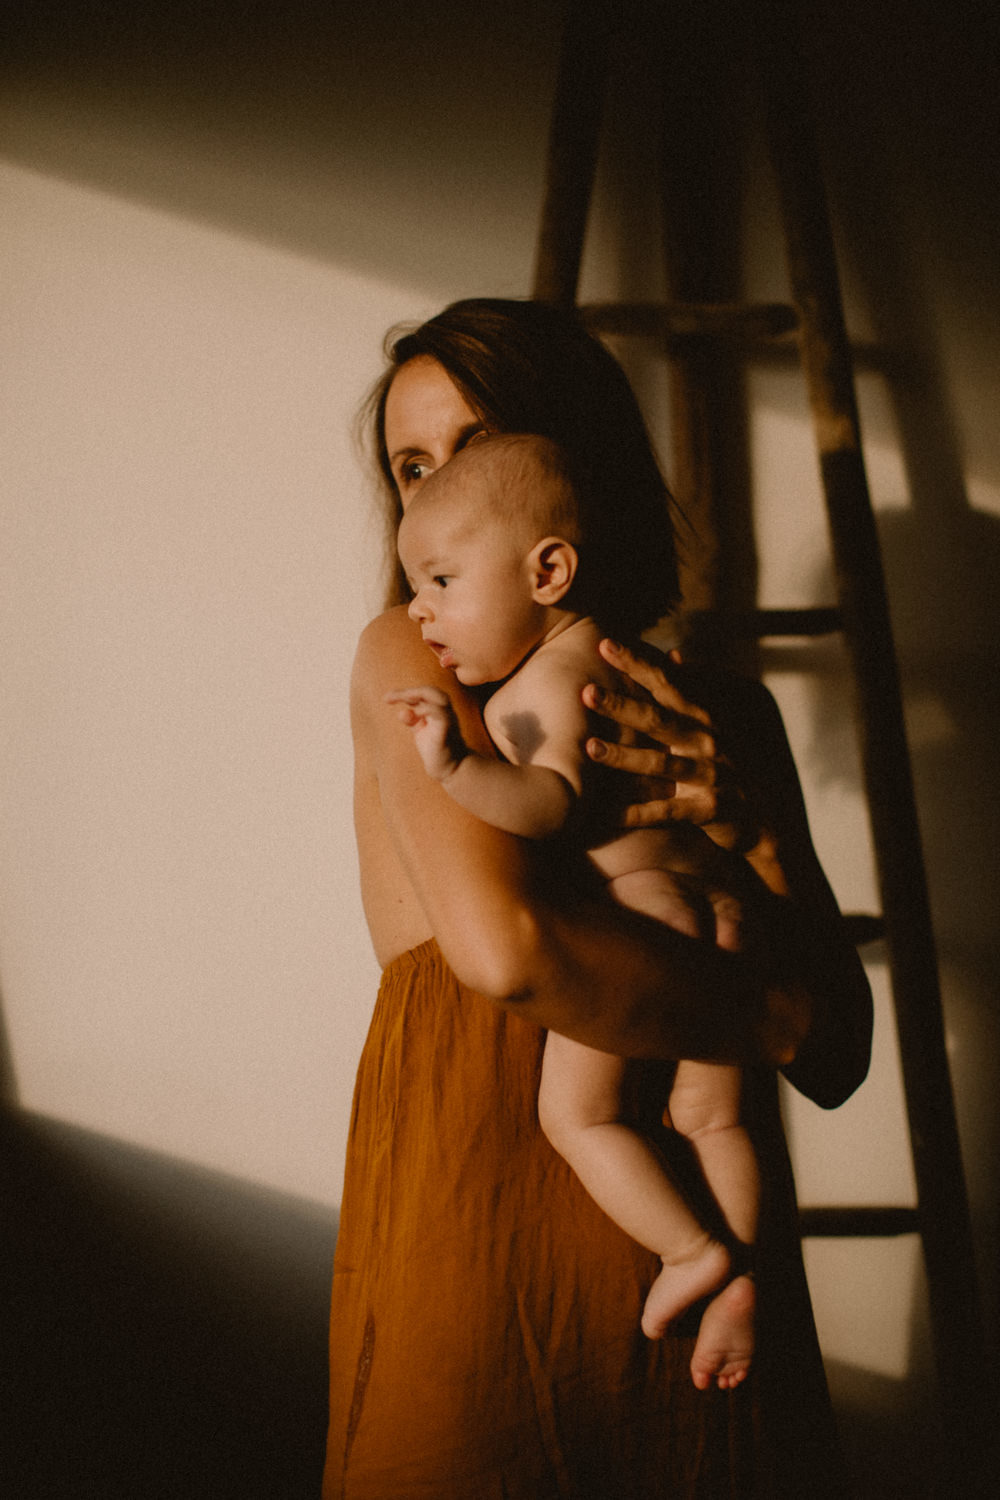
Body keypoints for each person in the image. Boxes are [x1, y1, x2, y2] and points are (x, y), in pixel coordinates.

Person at [324, 297, 872, 1499]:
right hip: (483, 1207)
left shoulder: (727, 715)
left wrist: (747, 829)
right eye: (411, 465)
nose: (437, 486)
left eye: (473, 444)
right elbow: (508, 953)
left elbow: (838, 1052)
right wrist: (759, 1010)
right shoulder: (413, 663)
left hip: (706, 1254)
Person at [386, 430, 759, 1391]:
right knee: (710, 1121)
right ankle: (741, 1284)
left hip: (650, 908)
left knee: (578, 1118)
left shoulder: (546, 680)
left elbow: (548, 804)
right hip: (720, 905)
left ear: (548, 570)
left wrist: (459, 766)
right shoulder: (626, 654)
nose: (420, 615)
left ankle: (690, 1252)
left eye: (439, 583)